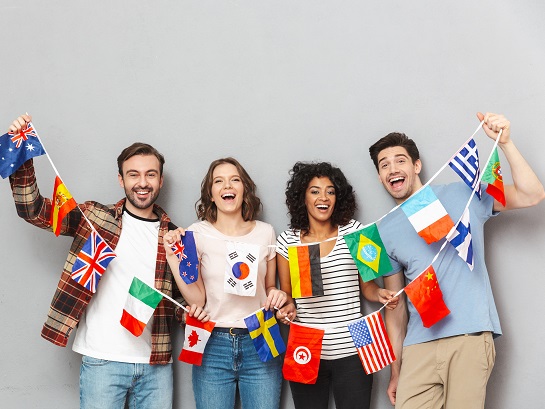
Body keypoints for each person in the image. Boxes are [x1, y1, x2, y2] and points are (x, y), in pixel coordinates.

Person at [7, 113, 186, 409]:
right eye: (133, 174)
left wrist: (195, 314)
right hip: (103, 361)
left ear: (160, 179)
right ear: (121, 179)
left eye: (150, 174)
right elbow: (33, 210)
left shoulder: (173, 237)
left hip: (156, 366)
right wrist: (23, 153)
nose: (142, 183)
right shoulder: (95, 218)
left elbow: (177, 300)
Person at [368, 112, 545, 409]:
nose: (392, 169)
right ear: (380, 177)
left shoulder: (462, 194)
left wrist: (506, 143)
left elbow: (532, 194)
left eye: (399, 160)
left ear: (416, 165)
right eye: (384, 165)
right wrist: (396, 371)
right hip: (418, 346)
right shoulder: (383, 230)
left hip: (469, 336)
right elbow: (395, 310)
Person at [163, 157, 287, 409]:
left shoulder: (266, 232)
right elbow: (197, 300)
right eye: (218, 181)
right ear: (210, 193)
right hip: (212, 341)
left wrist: (278, 295)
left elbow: (270, 287)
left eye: (234, 180)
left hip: (261, 335)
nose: (227, 185)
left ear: (244, 189)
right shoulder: (196, 234)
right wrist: (171, 256)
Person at [275, 161, 399, 409]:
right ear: (303, 197)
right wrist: (284, 311)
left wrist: (380, 293)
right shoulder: (288, 240)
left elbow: (369, 288)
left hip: (355, 347)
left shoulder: (356, 232)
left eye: (330, 191)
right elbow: (287, 296)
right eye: (315, 191)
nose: (324, 197)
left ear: (338, 197)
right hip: (305, 347)